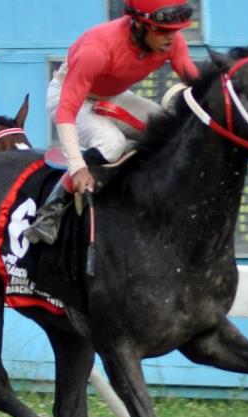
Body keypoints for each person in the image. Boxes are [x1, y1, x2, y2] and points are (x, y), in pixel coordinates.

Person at [23, 0, 200, 245]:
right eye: (162, 30)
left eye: (175, 30)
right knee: (112, 142)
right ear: (138, 25)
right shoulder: (96, 50)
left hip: (112, 96)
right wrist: (78, 166)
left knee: (169, 129)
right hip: (67, 97)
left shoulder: (172, 42)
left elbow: (197, 85)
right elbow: (66, 111)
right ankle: (51, 210)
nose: (170, 37)